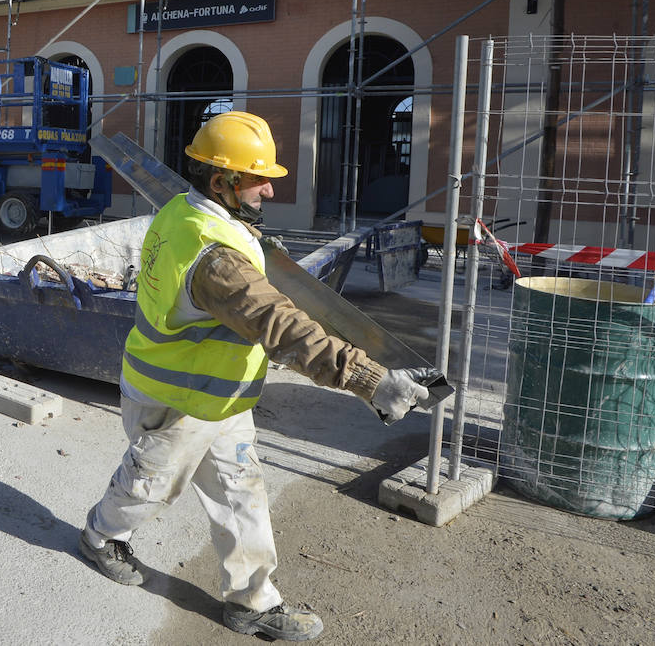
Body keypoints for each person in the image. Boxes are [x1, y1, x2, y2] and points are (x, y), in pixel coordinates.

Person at [78, 111, 435, 642]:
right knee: (151, 486)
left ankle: (253, 602)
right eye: (257, 178)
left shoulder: (186, 210)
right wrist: (368, 379)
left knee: (242, 492)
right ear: (221, 182)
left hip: (214, 399)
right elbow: (282, 326)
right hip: (177, 400)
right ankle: (101, 536)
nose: (269, 189)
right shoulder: (216, 259)